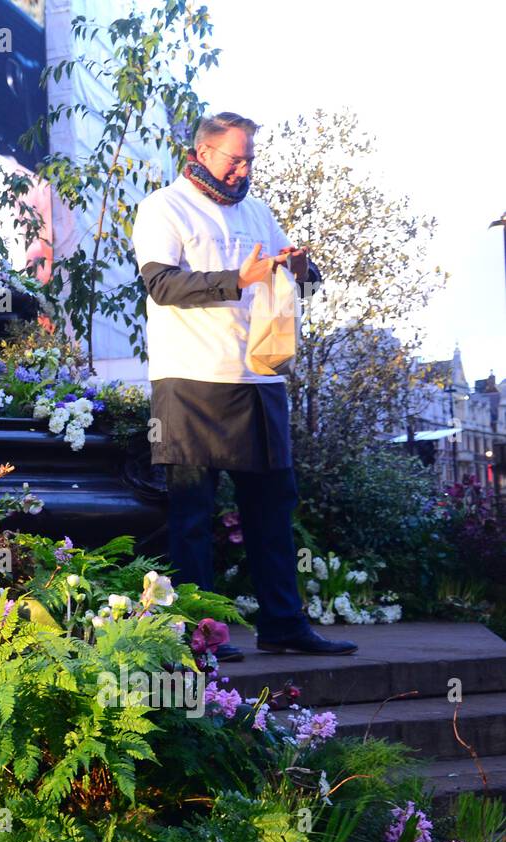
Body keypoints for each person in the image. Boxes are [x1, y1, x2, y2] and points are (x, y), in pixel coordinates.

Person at [131, 111, 357, 659]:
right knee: (192, 514)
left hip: (259, 376)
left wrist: (302, 268)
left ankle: (283, 624)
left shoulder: (258, 211)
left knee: (273, 507)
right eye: (236, 159)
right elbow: (160, 284)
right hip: (189, 379)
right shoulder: (164, 206)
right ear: (203, 153)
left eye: (250, 159)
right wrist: (239, 278)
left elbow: (300, 280)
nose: (244, 169)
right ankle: (199, 636)